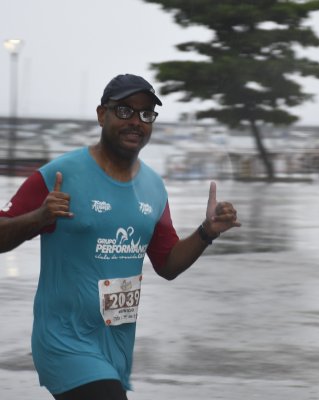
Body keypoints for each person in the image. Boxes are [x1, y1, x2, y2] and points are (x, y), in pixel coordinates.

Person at [0, 73, 240, 400]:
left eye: (145, 114)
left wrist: (206, 232)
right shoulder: (60, 175)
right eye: (125, 111)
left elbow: (168, 264)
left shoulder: (153, 187)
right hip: (64, 342)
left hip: (115, 346)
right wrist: (39, 217)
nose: (136, 122)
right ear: (102, 114)